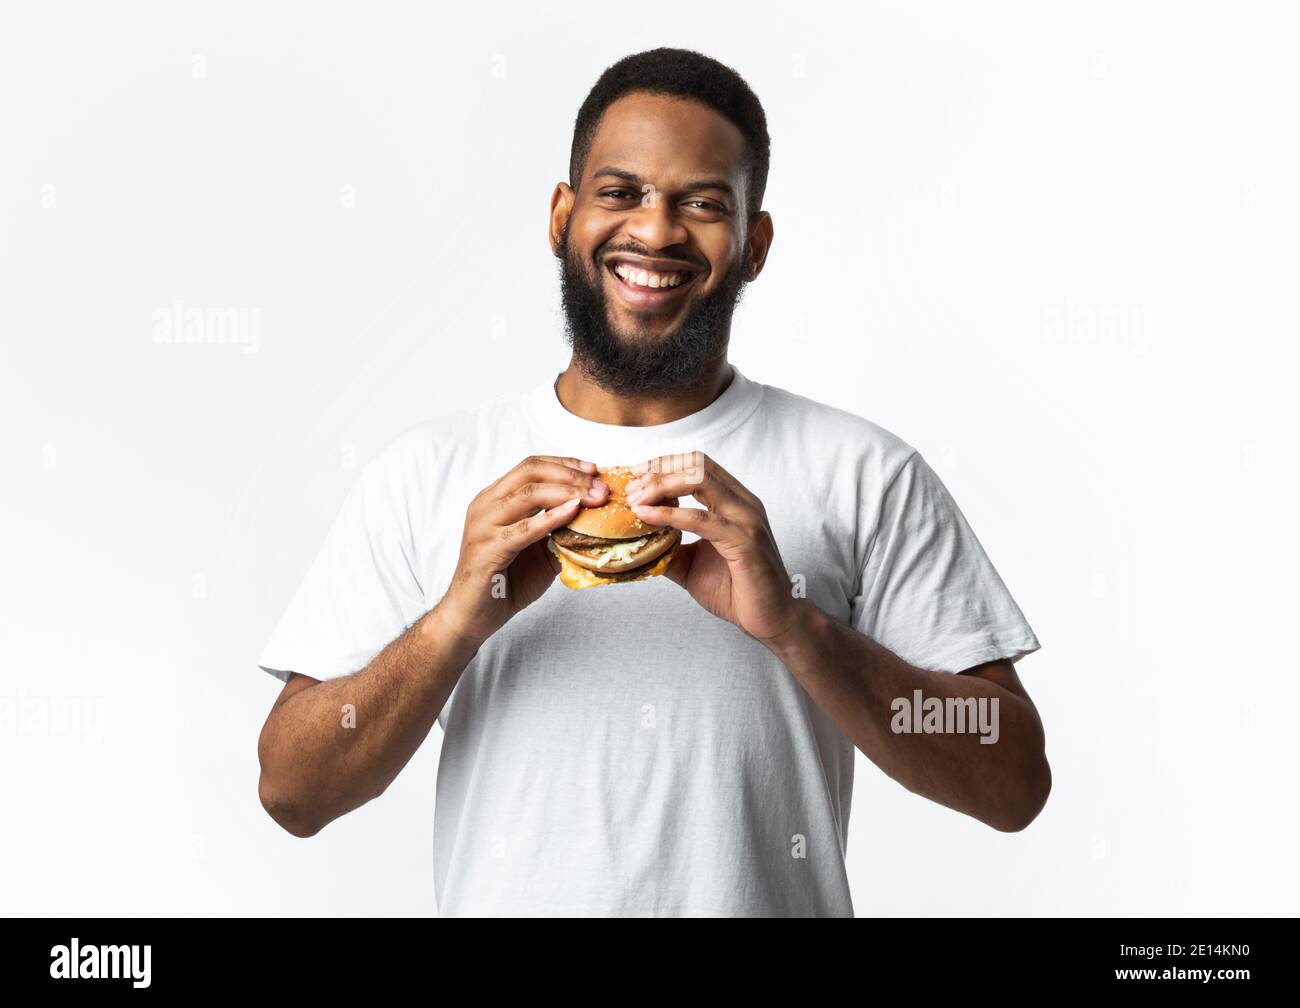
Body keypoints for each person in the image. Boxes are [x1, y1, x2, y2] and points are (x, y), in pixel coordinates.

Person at [256, 47, 1049, 917]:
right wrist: (454, 621)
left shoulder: (863, 471)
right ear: (563, 216)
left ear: (754, 244)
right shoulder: (428, 472)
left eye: (702, 203)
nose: (657, 230)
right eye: (620, 192)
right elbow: (292, 789)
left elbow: (1010, 780)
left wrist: (797, 630)